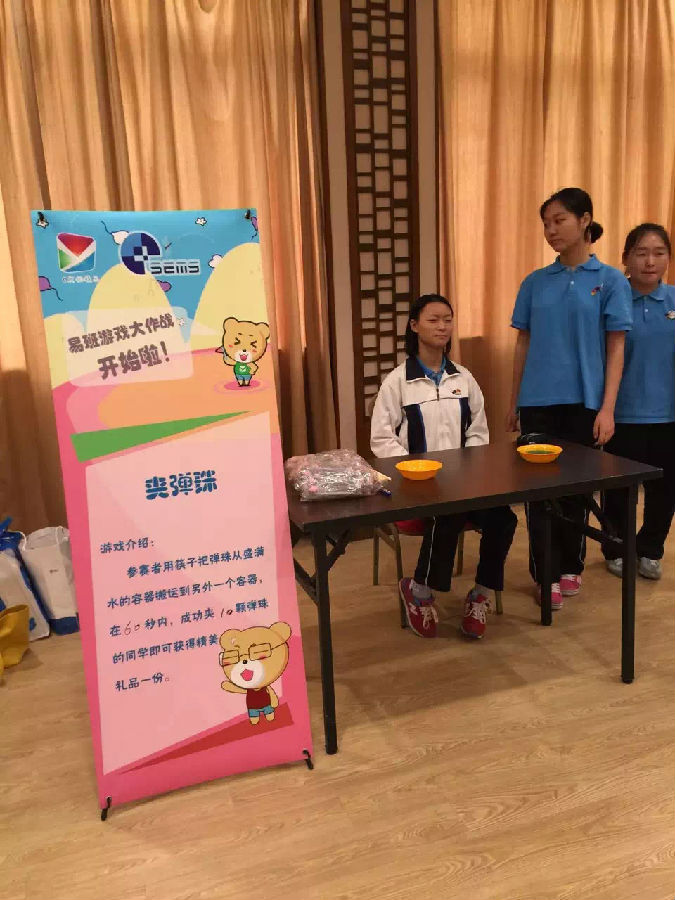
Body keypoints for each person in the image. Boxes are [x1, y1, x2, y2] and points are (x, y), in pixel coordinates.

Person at [506, 187, 632, 609]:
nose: (551, 230)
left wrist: (608, 408)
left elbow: (616, 347)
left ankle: (570, 566)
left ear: (584, 220)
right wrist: (513, 401)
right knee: (538, 492)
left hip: (585, 402)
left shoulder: (610, 281)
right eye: (546, 223)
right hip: (538, 401)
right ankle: (545, 574)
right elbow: (523, 343)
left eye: (559, 220)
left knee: (577, 491)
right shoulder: (535, 282)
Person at [370, 294, 517, 640]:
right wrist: (413, 470)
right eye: (433, 320)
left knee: (503, 518)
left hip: (465, 482)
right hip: (417, 485)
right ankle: (418, 591)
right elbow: (381, 439)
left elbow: (479, 431)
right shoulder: (398, 382)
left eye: (447, 320)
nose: (442, 327)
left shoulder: (463, 378)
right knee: (447, 512)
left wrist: (471, 469)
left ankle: (480, 593)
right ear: (414, 326)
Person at [601, 224, 675, 580]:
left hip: (668, 415)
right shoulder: (612, 301)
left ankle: (650, 549)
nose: (650, 261)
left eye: (659, 253)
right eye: (641, 253)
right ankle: (615, 547)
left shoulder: (674, 300)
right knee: (618, 489)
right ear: (626, 258)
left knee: (665, 490)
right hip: (622, 413)